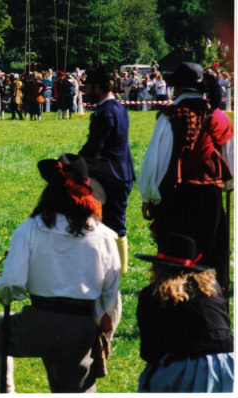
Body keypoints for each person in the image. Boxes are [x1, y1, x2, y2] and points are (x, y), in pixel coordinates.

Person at [0, 153, 121, 393]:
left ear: (50, 194)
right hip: (80, 329)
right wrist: (105, 336)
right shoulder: (105, 236)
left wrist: (2, 289)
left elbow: (12, 283)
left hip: (37, 323)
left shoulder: (30, 229)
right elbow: (110, 301)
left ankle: (7, 392)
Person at [138, 62, 234, 298]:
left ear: (177, 88)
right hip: (210, 199)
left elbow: (155, 162)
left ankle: (174, 300)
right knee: (209, 254)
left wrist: (149, 197)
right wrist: (228, 186)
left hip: (177, 197)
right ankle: (211, 302)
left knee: (176, 257)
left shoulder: (171, 116)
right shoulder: (220, 117)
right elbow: (230, 162)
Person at [134, 233, 234, 393]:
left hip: (188, 368)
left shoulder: (155, 293)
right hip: (229, 364)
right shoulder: (211, 288)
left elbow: (150, 349)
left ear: (158, 265)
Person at [78, 67, 136, 274]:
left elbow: (94, 146)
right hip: (122, 172)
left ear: (98, 87)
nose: (85, 90)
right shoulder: (118, 107)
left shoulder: (104, 113)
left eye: (88, 86)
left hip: (112, 174)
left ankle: (119, 270)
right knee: (114, 220)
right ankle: (117, 267)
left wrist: (74, 161)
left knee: (113, 223)